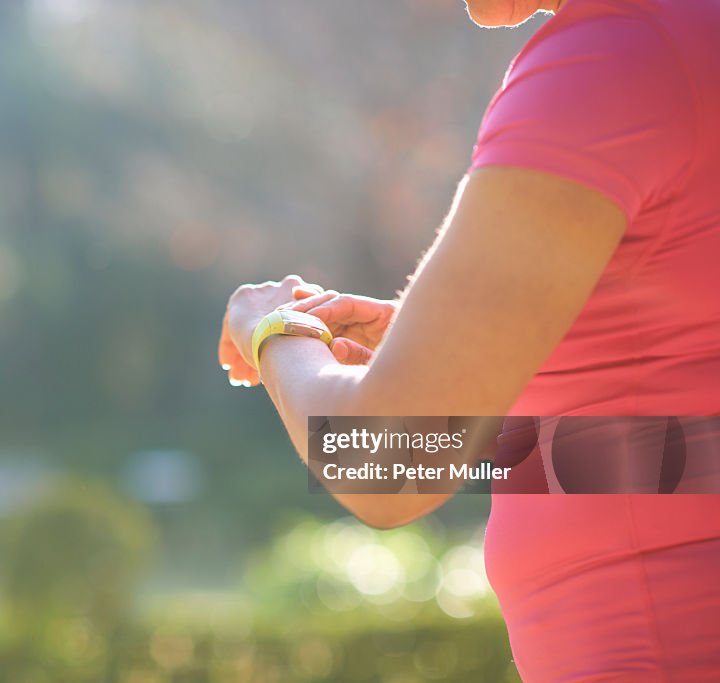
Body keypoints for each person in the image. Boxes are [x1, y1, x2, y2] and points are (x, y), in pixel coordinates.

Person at [217, 0, 720, 680]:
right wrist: (482, 353)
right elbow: (687, 453)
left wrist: (275, 329)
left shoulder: (611, 62)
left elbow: (390, 461)